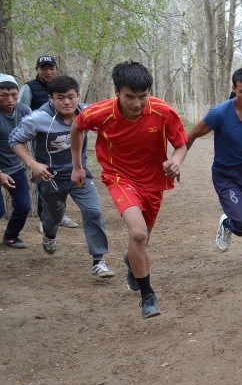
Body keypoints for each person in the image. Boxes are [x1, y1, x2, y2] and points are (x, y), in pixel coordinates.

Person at [71, 61, 187, 318]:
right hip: (119, 177)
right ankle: (148, 296)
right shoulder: (100, 112)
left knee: (143, 239)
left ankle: (130, 260)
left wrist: (176, 161)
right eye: (130, 97)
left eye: (143, 96)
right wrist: (77, 166)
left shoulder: (163, 111)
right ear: (117, 92)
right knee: (138, 233)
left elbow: (181, 144)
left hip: (154, 181)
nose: (137, 103)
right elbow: (77, 127)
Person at [9, 75, 114, 277]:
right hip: (51, 177)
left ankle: (98, 260)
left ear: (78, 95)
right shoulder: (38, 118)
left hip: (80, 174)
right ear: (51, 98)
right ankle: (49, 234)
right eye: (60, 98)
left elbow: (113, 115)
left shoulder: (88, 112)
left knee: (93, 212)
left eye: (71, 97)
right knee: (54, 216)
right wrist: (33, 164)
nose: (67, 102)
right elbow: (15, 140)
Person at [184, 67, 242, 274]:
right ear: (234, 89)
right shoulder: (219, 113)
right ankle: (228, 223)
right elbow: (191, 135)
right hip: (226, 175)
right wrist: (176, 161)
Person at [19, 56, 79, 229]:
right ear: (37, 70)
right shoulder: (29, 87)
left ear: (56, 69)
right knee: (45, 176)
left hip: (65, 138)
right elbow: (22, 111)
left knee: (64, 176)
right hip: (40, 139)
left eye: (51, 68)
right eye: (44, 69)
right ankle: (43, 218)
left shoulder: (65, 87)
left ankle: (59, 214)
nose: (48, 72)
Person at [0, 74, 31, 248]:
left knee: (24, 206)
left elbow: (37, 133)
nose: (10, 100)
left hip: (15, 167)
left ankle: (10, 236)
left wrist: (36, 165)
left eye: (13, 95)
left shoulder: (24, 111)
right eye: (4, 95)